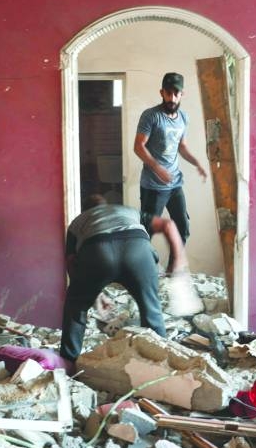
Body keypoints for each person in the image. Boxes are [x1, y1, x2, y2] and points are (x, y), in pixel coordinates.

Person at [60, 195, 187, 363]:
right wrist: (179, 259)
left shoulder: (78, 221)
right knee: (151, 310)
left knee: (75, 308)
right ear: (109, 205)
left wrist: (91, 294)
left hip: (98, 251)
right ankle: (161, 364)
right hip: (138, 251)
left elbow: (71, 261)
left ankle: (68, 362)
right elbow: (168, 224)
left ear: (86, 210)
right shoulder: (129, 211)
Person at [134, 72, 208, 254]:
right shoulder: (151, 116)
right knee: (146, 231)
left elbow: (181, 146)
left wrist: (197, 162)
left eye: (176, 93)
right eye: (168, 93)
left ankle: (173, 271)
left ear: (183, 94)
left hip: (175, 184)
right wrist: (158, 168)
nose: (172, 98)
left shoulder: (183, 118)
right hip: (153, 187)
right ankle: (145, 269)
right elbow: (138, 147)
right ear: (162, 92)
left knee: (182, 228)